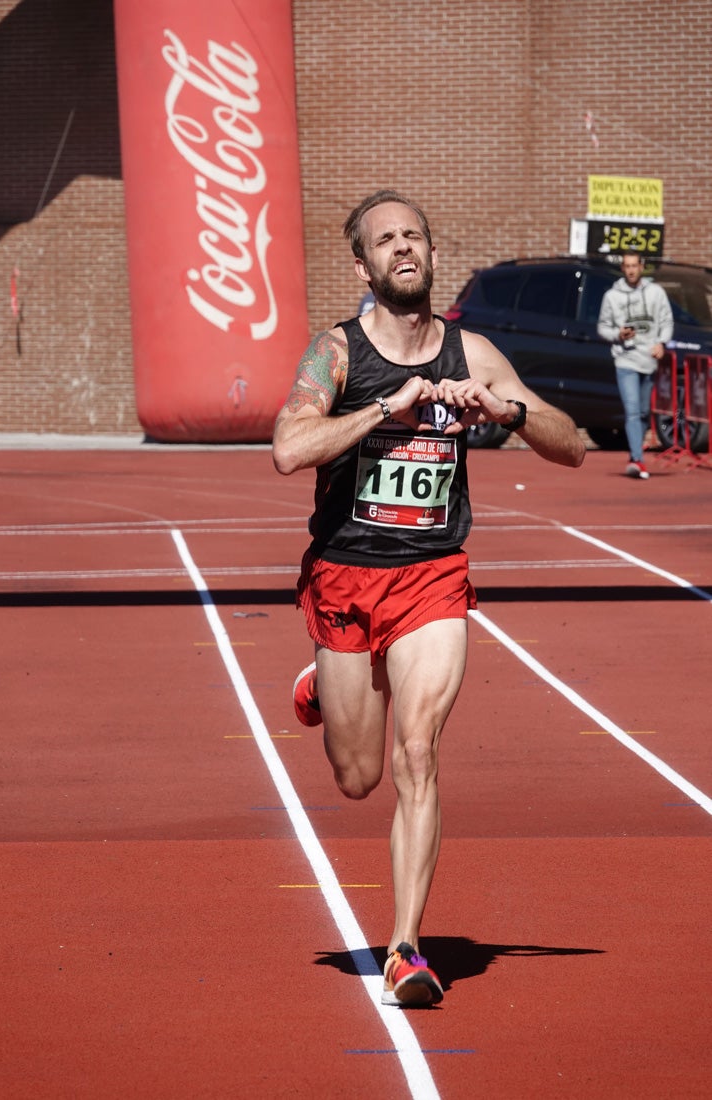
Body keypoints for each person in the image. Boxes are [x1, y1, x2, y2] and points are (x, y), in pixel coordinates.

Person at [272, 189, 585, 1007]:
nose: (403, 248)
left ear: (431, 255)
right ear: (363, 266)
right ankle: (326, 683)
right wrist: (385, 406)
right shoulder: (336, 354)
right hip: (344, 574)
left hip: (431, 578)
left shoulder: (469, 351)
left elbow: (573, 445)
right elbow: (287, 447)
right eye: (386, 240)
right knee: (355, 776)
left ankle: (405, 948)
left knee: (418, 753)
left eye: (414, 236)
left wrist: (507, 410)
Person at [597, 250, 673, 479]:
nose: (630, 270)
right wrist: (617, 334)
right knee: (631, 411)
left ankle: (636, 455)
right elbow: (602, 328)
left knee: (643, 412)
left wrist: (661, 342)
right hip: (625, 359)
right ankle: (637, 458)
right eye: (626, 266)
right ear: (623, 269)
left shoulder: (656, 293)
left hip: (648, 360)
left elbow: (667, 321)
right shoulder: (612, 296)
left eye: (634, 265)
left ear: (642, 267)